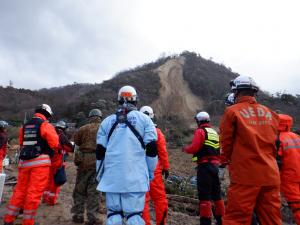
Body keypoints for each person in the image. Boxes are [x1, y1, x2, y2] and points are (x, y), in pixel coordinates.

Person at [220, 75, 281, 225]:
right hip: (271, 175)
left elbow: (226, 143)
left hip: (245, 176)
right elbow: (275, 143)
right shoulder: (270, 113)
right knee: (271, 219)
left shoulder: (232, 112)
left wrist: (225, 161)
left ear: (236, 91)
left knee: (236, 219)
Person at [96, 85, 158, 225]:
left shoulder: (106, 122)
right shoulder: (145, 120)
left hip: (112, 178)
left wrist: (99, 174)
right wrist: (150, 171)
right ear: (135, 101)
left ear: (118, 100)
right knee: (134, 217)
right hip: (135, 178)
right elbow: (152, 148)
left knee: (113, 216)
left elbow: (100, 151)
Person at [4, 104, 59, 225]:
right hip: (40, 164)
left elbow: (22, 143)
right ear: (47, 114)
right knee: (33, 194)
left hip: (24, 163)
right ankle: (28, 222)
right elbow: (55, 143)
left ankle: (8, 219)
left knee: (19, 191)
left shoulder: (24, 126)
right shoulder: (45, 125)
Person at [182, 111, 225, 225]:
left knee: (204, 195)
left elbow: (195, 147)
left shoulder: (200, 131)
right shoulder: (214, 132)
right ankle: (221, 220)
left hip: (204, 167)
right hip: (215, 167)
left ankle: (205, 221)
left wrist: (185, 149)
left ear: (199, 121)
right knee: (217, 194)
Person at [71, 109, 103, 225]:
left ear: (90, 117)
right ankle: (92, 217)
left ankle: (78, 215)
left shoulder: (82, 128)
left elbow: (77, 142)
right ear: (100, 117)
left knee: (80, 189)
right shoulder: (104, 128)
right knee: (94, 191)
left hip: (83, 160)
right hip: (98, 161)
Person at [140, 106, 170, 225]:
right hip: (154, 171)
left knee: (142, 201)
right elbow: (162, 151)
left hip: (139, 170)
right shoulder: (157, 132)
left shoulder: (134, 131)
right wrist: (166, 168)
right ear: (152, 117)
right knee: (160, 199)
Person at [43, 120, 73, 205]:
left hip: (47, 161)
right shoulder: (61, 135)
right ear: (63, 128)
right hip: (58, 162)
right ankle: (51, 200)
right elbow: (70, 148)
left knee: (48, 181)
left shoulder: (50, 133)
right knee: (56, 182)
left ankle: (45, 198)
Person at [277, 114, 300, 225]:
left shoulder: (278, 139)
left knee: (296, 204)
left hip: (288, 177)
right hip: (297, 173)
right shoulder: (296, 136)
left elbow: (277, 162)